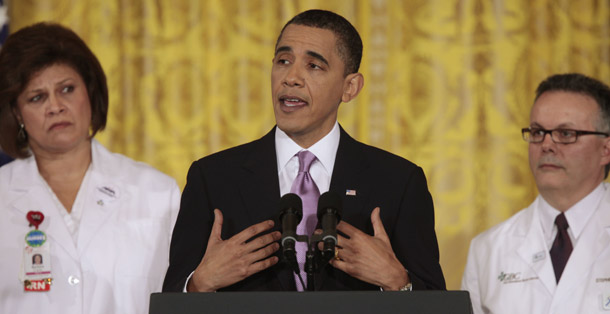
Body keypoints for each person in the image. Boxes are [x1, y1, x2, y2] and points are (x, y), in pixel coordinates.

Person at [163, 9, 445, 293]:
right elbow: (169, 300)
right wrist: (199, 285)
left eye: (313, 66)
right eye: (283, 61)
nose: (291, 77)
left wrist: (399, 282)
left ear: (350, 87)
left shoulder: (398, 182)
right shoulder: (212, 178)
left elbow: (439, 304)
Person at [0, 23, 180, 314]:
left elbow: (185, 296)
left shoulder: (157, 192)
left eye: (67, 89)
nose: (55, 106)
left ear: (90, 92)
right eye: (37, 97)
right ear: (17, 113)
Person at [462, 73, 610, 313]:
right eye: (538, 132)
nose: (547, 145)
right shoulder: (488, 250)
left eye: (566, 134)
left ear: (605, 149)